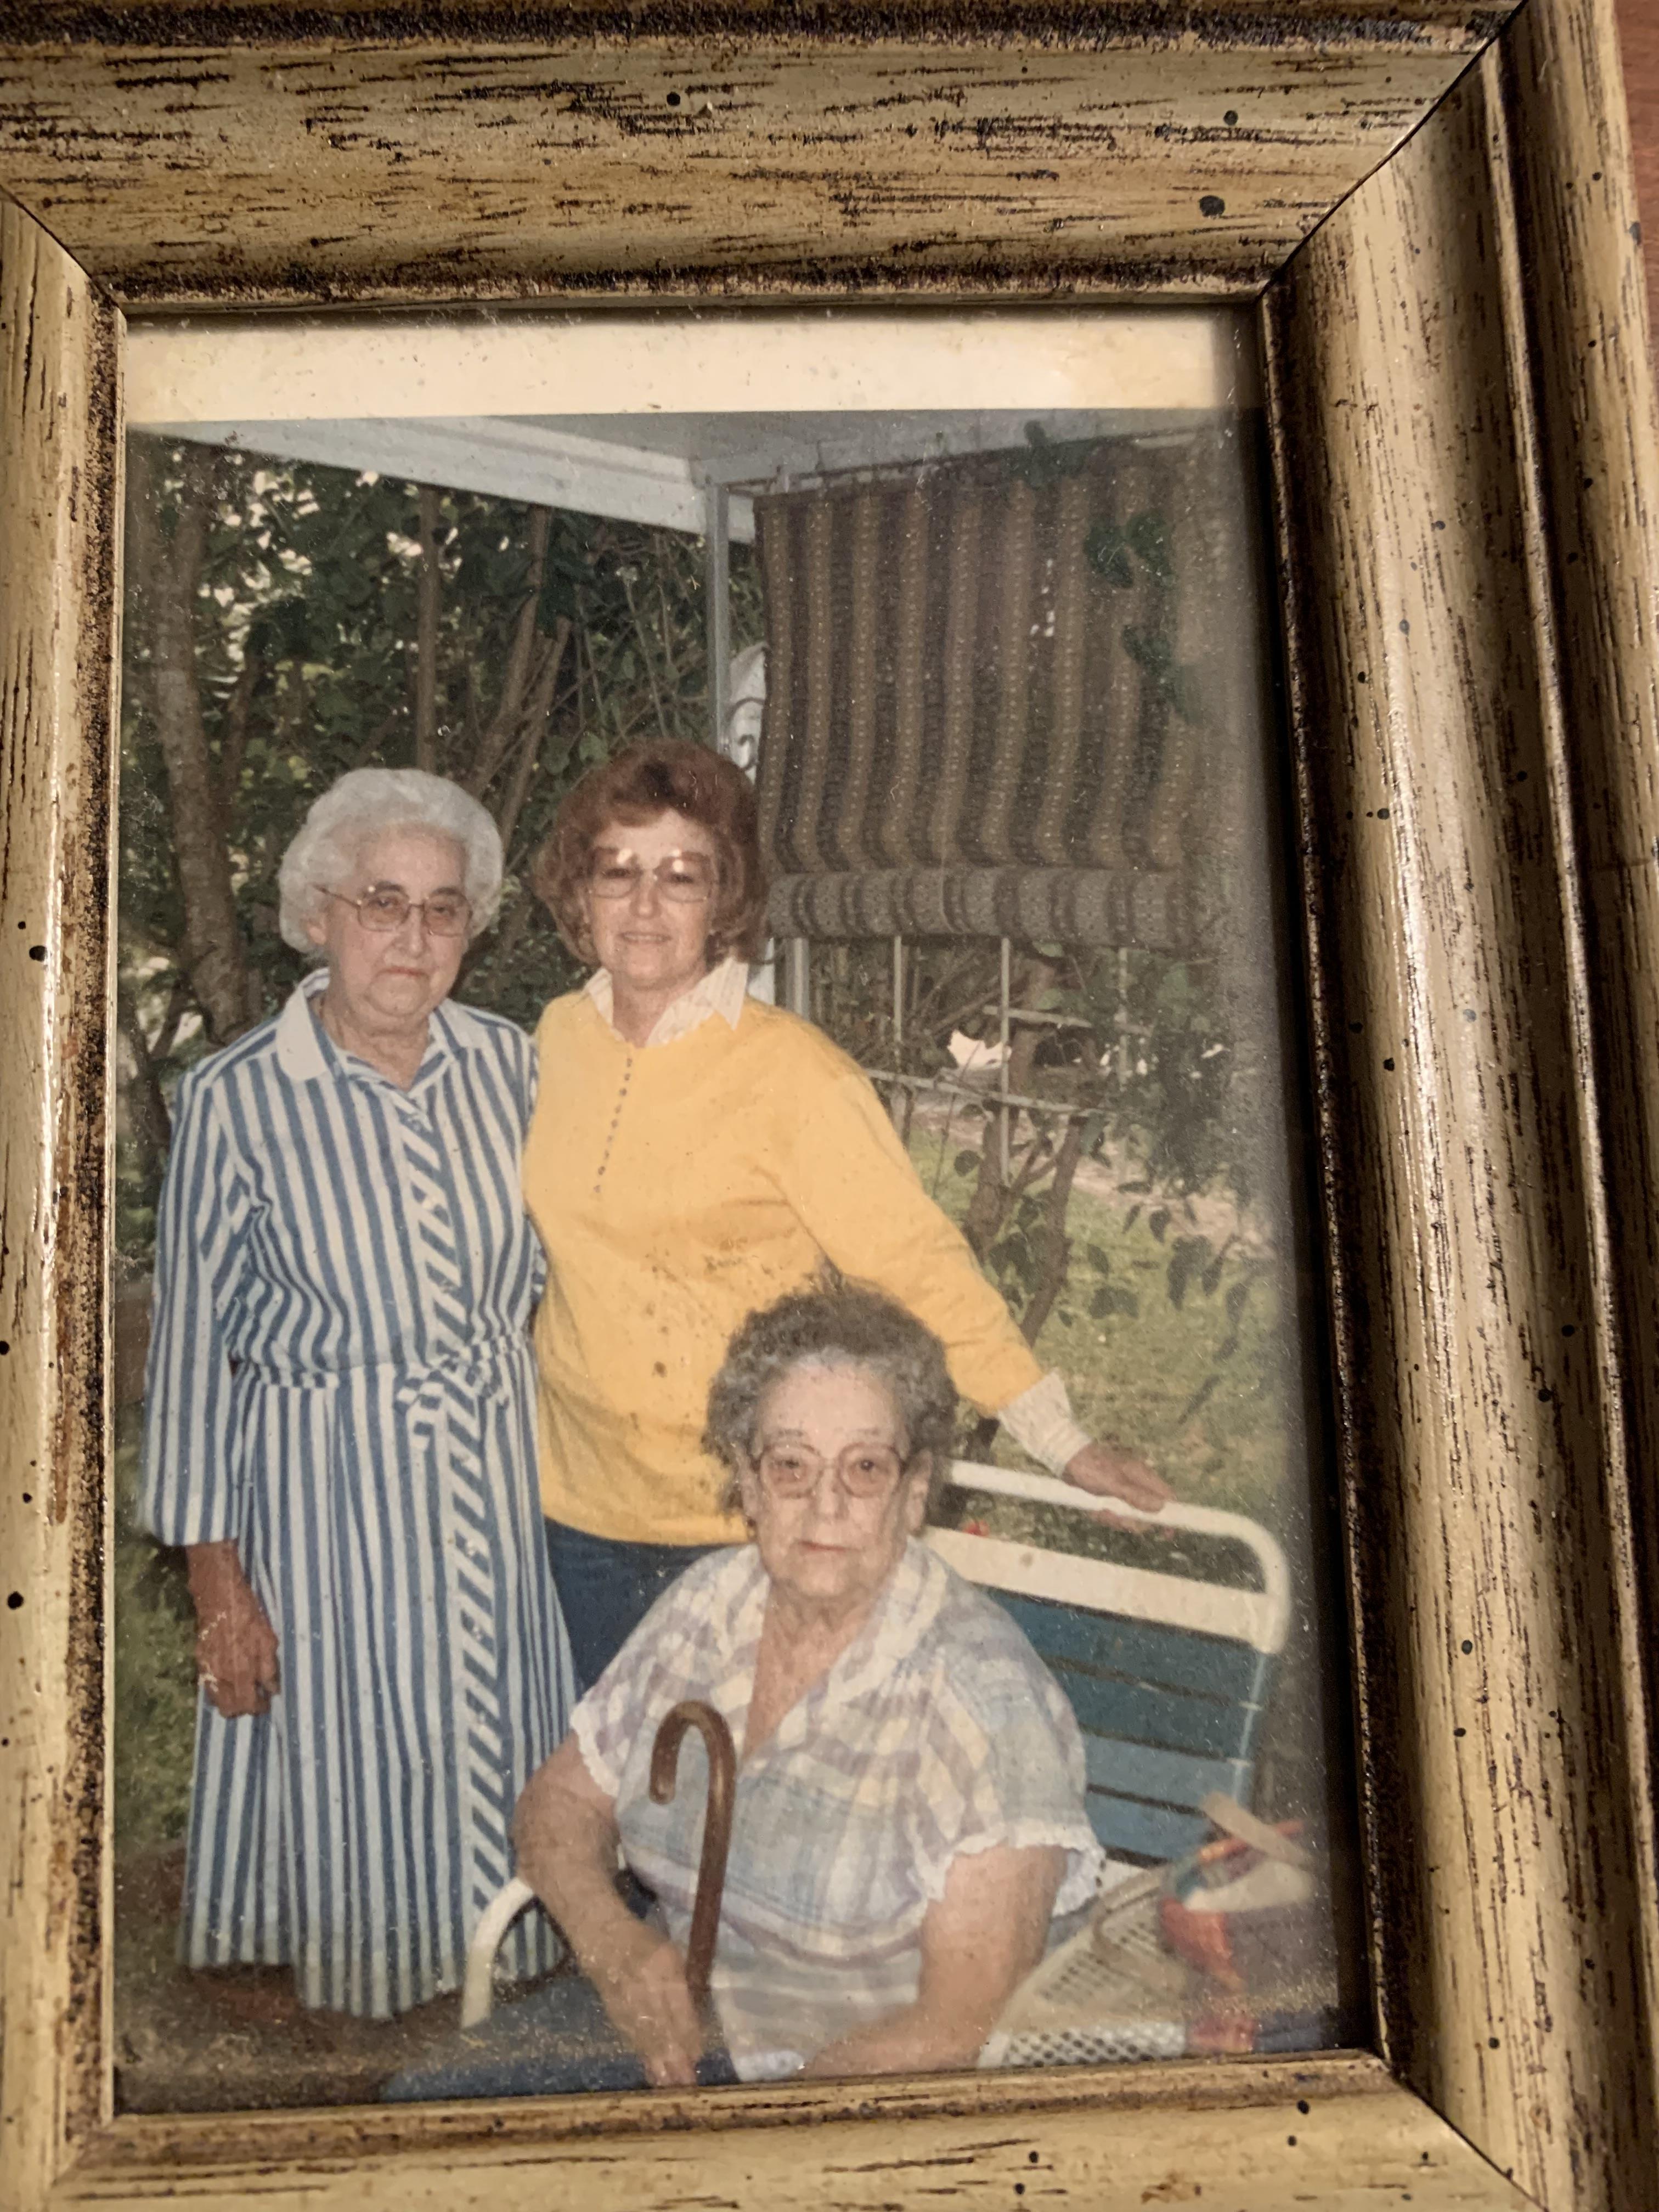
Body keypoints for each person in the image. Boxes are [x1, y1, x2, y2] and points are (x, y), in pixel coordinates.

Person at [523, 737, 1172, 1687]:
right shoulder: (555, 1040)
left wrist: (1060, 1441)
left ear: (725, 900)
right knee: (625, 1803)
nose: (647, 905)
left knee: (742, 1814)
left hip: (743, 1521)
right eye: (618, 873)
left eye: (682, 876)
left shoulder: (793, 1073)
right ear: (580, 895)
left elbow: (916, 1267)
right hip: (575, 1513)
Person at [393, 1285, 1104, 2096]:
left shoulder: (983, 1703)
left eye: (865, 1469)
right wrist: (615, 1948)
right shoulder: (709, 1605)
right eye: (791, 1465)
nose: (824, 1504)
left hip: (848, 2088)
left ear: (915, 1494)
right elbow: (555, 1806)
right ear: (750, 1485)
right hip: (670, 2028)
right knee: (410, 2128)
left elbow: (953, 2032)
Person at [139, 767, 574, 2018]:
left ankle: (499, 1987)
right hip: (326, 1499)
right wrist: (219, 1585)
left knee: (495, 1730)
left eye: (445, 909)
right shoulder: (235, 1099)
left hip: (497, 1484)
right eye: (383, 901)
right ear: (319, 914)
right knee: (353, 1757)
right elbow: (192, 1360)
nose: (413, 936)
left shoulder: (513, 1069)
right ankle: (360, 2020)